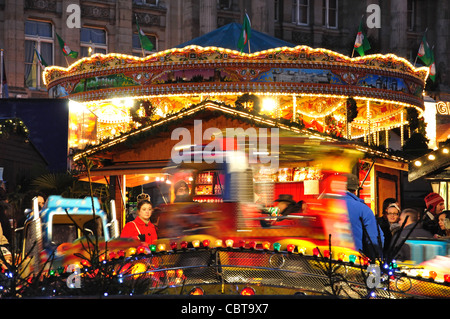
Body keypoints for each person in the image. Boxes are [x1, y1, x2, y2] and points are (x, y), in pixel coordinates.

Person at [344, 174, 384, 259]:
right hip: (352, 260)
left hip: (318, 261)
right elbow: (375, 239)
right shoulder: (363, 209)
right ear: (355, 191)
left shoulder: (322, 205)